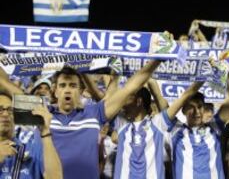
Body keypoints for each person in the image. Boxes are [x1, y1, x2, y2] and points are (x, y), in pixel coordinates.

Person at [0, 58, 161, 179]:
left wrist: (158, 57)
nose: (67, 90)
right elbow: (6, 84)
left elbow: (132, 85)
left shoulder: (95, 112)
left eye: (73, 86)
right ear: (55, 91)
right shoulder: (42, 112)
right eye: (63, 86)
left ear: (81, 90)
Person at [113, 81, 203, 179]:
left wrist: (205, 75)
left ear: (138, 101)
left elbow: (184, 96)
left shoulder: (157, 124)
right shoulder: (121, 126)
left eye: (127, 100)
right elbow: (107, 99)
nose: (123, 104)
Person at [0, 93, 62, 179]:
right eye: (0, 109)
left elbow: (56, 177)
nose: (6, 114)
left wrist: (45, 131)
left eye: (10, 110)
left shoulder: (32, 149)